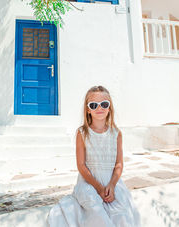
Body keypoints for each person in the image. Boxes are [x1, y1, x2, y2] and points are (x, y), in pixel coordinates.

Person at [47, 86, 141, 227]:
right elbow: (81, 166)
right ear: (87, 109)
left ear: (109, 108)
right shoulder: (82, 133)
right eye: (93, 105)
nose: (99, 108)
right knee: (95, 207)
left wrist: (112, 185)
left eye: (104, 104)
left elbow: (119, 165)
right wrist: (99, 188)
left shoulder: (116, 133)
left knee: (122, 211)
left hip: (112, 183)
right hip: (88, 183)